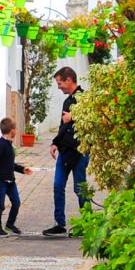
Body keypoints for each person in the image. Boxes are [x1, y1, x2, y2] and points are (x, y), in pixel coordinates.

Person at [42, 66, 90, 236]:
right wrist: (55, 143)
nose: (59, 86)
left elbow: (91, 118)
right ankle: (59, 224)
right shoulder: (67, 101)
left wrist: (73, 116)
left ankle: (87, 223)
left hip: (79, 151)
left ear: (69, 80)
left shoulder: (83, 98)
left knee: (80, 188)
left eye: (60, 83)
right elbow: (63, 127)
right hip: (64, 152)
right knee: (57, 186)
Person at [0, 116, 31, 236]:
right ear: (12, 130)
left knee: (16, 202)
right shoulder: (1, 145)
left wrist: (22, 169)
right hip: (1, 181)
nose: (16, 131)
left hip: (11, 181)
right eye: (15, 129)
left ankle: (10, 224)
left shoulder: (9, 145)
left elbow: (10, 164)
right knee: (0, 204)